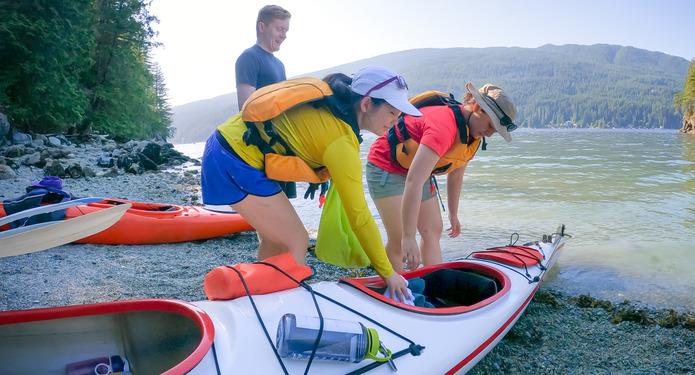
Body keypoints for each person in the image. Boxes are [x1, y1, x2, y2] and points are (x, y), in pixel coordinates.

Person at [201, 67, 422, 301]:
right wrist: (388, 273)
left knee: (275, 239)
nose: (395, 122)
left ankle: (259, 297)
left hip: (227, 147)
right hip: (233, 159)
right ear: (367, 104)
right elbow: (360, 218)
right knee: (296, 240)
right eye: (391, 112)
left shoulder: (334, 111)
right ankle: (285, 302)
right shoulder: (341, 143)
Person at [366, 82, 517, 272]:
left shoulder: (474, 136)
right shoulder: (443, 127)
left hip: (418, 171)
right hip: (386, 165)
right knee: (399, 239)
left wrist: (453, 215)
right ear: (477, 107)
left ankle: (434, 280)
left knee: (433, 230)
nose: (490, 133)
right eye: (490, 125)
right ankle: (395, 290)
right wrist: (409, 236)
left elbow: (456, 176)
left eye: (495, 131)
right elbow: (414, 181)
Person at [235, 5, 291, 110]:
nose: (284, 36)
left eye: (286, 31)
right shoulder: (248, 58)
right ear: (262, 27)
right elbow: (246, 108)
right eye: (279, 29)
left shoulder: (280, 64)